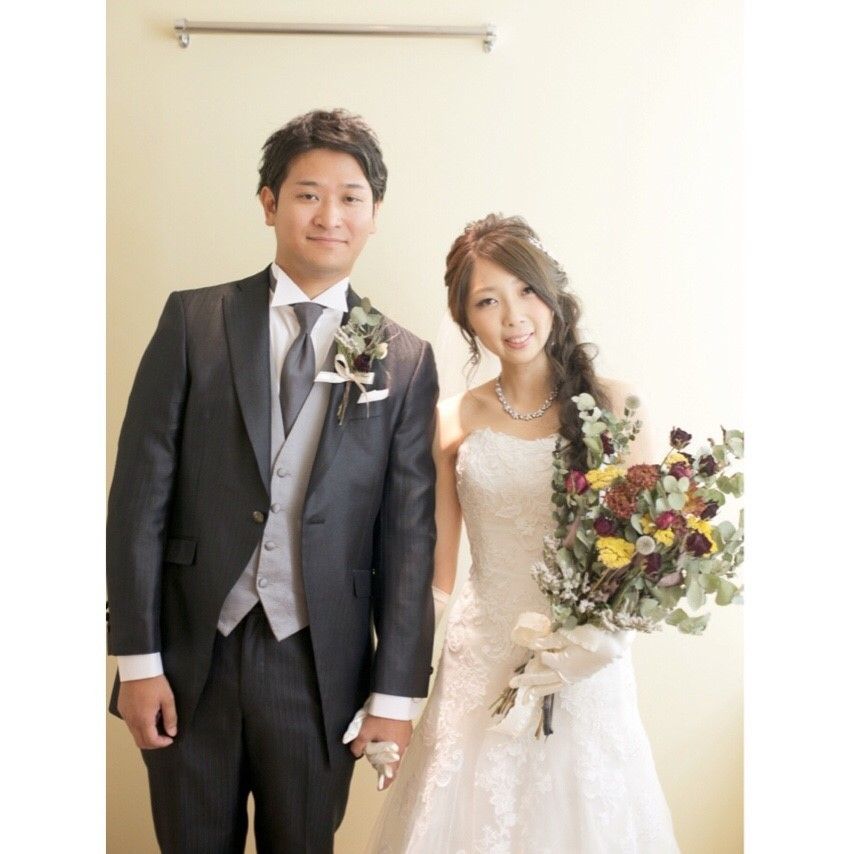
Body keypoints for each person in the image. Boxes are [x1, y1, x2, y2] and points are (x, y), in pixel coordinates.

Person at [106, 108, 438, 853]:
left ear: (374, 213)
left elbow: (409, 538)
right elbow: (137, 502)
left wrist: (395, 693)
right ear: (269, 203)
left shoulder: (404, 359)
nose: (330, 215)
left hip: (321, 667)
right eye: (307, 194)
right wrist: (137, 660)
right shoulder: (193, 321)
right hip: (191, 655)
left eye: (350, 197)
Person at [367, 214, 680, 853]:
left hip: (586, 667)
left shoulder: (619, 408)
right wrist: (391, 688)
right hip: (480, 661)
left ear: (552, 292)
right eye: (487, 301)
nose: (513, 316)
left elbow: (650, 561)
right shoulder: (451, 420)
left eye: (526, 290)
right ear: (466, 319)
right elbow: (436, 578)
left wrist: (599, 640)